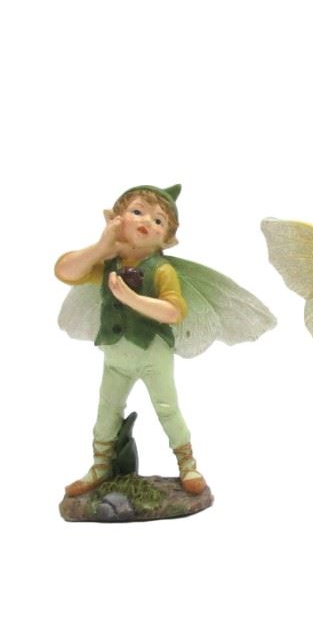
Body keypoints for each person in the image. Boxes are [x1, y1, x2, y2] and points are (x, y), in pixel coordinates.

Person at [55, 184, 207, 496]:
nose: (147, 221)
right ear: (116, 219)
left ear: (167, 240)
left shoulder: (161, 269)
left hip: (153, 353)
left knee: (167, 408)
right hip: (116, 355)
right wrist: (101, 246)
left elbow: (174, 311)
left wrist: (131, 298)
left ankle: (187, 463)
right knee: (107, 410)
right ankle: (100, 465)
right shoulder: (108, 264)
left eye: (159, 221)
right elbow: (65, 271)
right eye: (137, 212)